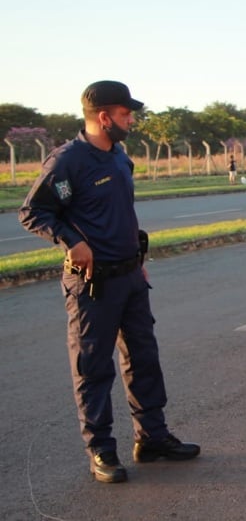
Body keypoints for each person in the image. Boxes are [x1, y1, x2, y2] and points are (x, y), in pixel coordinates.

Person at [18, 80, 200, 484]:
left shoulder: (119, 156)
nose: (130, 120)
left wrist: (138, 258)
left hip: (130, 276)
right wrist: (72, 241)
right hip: (92, 285)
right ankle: (101, 450)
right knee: (94, 368)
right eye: (124, 114)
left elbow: (122, 213)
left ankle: (152, 438)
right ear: (104, 117)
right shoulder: (67, 162)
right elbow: (34, 213)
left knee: (144, 359)